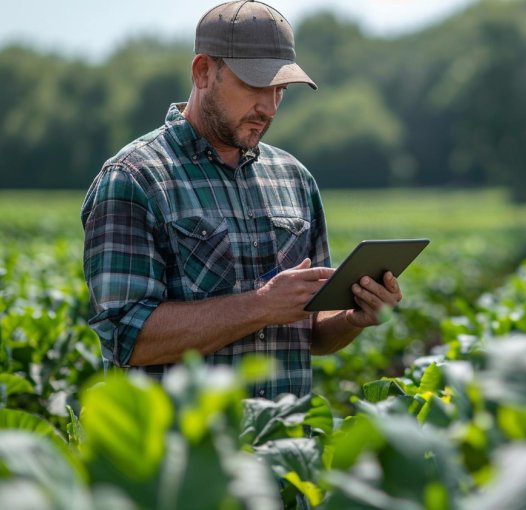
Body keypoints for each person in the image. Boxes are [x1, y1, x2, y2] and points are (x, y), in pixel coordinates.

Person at [80, 0, 402, 399]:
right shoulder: (134, 179)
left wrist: (354, 317)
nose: (268, 107)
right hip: (182, 456)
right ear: (203, 72)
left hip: (280, 446)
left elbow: (312, 331)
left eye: (280, 89)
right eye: (254, 85)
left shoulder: (295, 179)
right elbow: (125, 336)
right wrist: (262, 306)